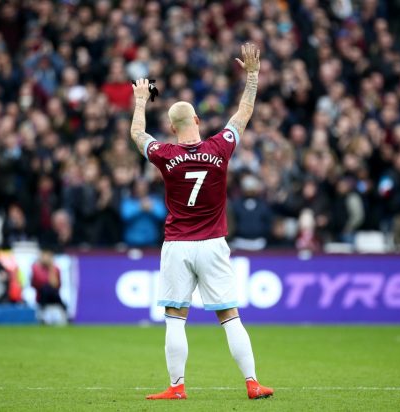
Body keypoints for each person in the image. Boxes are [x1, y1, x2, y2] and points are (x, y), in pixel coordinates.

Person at [130, 43, 273, 400]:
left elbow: (137, 135)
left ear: (171, 127)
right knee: (230, 316)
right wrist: (252, 75)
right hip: (212, 244)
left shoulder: (165, 154)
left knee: (175, 317)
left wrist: (140, 101)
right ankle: (252, 383)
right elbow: (244, 111)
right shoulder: (219, 147)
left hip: (178, 245)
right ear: (196, 121)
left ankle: (177, 387)